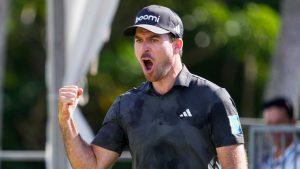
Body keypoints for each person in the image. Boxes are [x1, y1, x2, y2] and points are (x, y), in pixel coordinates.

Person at [58, 4, 248, 169]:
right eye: (139, 40)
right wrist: (67, 121)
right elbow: (91, 165)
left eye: (153, 39)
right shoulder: (126, 105)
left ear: (177, 45)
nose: (144, 47)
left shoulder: (213, 98)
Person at [259, 97, 300, 169]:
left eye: (279, 123)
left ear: (292, 123)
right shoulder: (265, 157)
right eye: (269, 124)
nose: (274, 130)